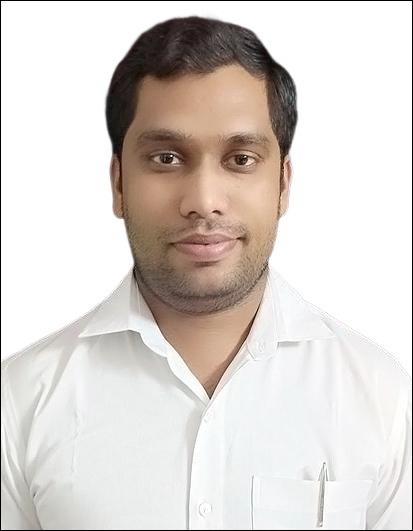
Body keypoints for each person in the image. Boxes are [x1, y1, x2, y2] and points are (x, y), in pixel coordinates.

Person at [1, 15, 411, 531]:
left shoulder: (379, 396)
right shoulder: (21, 402)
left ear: (283, 183)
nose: (203, 200)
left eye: (241, 159)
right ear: (119, 184)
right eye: (166, 157)